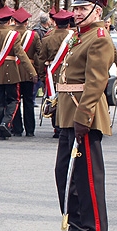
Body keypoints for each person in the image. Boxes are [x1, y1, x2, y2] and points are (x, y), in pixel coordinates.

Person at [50, 0, 112, 231]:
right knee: (66, 175)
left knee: (87, 179)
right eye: (75, 9)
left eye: (82, 9)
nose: (76, 13)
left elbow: (96, 81)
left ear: (97, 11)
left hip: (83, 114)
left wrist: (83, 116)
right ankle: (76, 226)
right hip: (67, 112)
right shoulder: (79, 36)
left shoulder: (99, 38)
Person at [0, 6, 37, 140]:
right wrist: (33, 73)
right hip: (12, 70)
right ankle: (6, 122)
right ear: (10, 20)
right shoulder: (14, 35)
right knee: (13, 99)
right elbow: (21, 55)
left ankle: (2, 126)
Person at [38, 9, 75, 139]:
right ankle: (66, 125)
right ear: (69, 24)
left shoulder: (48, 38)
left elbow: (42, 58)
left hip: (52, 72)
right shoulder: (74, 37)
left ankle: (57, 128)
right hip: (69, 71)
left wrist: (41, 75)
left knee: (53, 99)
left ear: (55, 23)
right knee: (67, 99)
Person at [11, 7, 40, 137]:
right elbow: (39, 53)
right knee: (28, 101)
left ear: (14, 21)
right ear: (27, 22)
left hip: (13, 70)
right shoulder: (34, 35)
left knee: (14, 100)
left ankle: (17, 128)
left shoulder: (10, 34)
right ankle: (30, 129)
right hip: (29, 72)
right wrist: (37, 71)